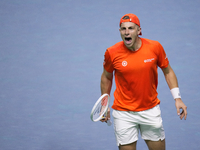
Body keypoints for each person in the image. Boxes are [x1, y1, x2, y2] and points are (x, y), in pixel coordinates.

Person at [100, 13, 187, 150]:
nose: (127, 32)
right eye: (123, 29)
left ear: (139, 30)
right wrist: (104, 104)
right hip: (124, 113)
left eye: (131, 28)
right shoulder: (112, 52)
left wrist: (177, 98)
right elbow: (106, 76)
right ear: (120, 31)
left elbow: (168, 71)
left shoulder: (155, 47)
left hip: (150, 111)